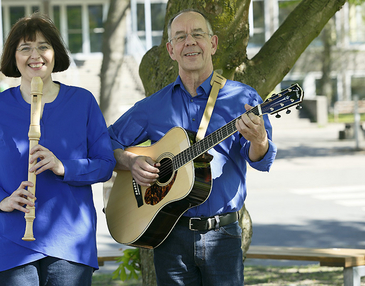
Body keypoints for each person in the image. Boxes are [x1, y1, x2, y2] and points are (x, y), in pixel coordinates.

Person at [107, 9, 277, 286]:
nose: (190, 42)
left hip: (223, 235)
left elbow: (261, 161)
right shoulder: (153, 106)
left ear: (213, 43)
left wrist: (259, 140)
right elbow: (108, 141)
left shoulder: (243, 99)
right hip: (169, 233)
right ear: (171, 49)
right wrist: (129, 162)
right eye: (181, 36)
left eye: (198, 34)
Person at [0, 13, 116, 286]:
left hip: (70, 242)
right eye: (25, 48)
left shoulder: (82, 101)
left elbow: (105, 163)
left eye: (43, 46)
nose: (36, 55)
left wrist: (63, 166)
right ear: (14, 57)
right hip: (10, 240)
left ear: (55, 53)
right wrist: (2, 200)